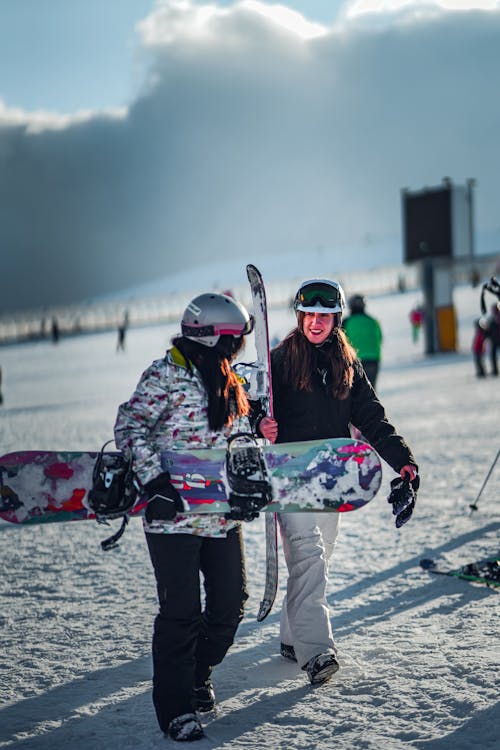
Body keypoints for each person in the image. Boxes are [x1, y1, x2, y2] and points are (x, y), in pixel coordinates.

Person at [257, 279, 418, 687]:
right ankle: (316, 651)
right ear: (299, 317)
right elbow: (249, 406)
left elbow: (373, 418)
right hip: (290, 477)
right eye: (308, 315)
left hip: (333, 480)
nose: (315, 322)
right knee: (308, 556)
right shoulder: (279, 360)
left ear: (335, 318)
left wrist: (404, 463)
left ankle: (293, 638)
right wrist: (261, 423)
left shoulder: (348, 363)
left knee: (315, 560)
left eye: (324, 316)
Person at [114, 292, 259, 742]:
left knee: (230, 604)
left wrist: (247, 482)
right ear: (214, 337)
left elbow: (239, 438)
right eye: (234, 339)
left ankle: (198, 674)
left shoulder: (230, 379)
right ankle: (176, 707)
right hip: (171, 515)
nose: (238, 348)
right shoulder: (164, 376)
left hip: (219, 515)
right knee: (181, 613)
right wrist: (153, 480)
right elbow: (129, 426)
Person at [343, 293, 383, 388]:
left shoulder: (347, 321)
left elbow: (341, 341)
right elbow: (380, 338)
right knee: (371, 390)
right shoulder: (373, 321)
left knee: (354, 391)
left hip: (354, 360)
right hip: (373, 358)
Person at [485, 302, 500, 376]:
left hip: (495, 340)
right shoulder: (492, 319)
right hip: (494, 340)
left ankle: (495, 371)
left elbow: (488, 331)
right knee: (493, 356)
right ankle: (495, 370)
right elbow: (488, 331)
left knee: (493, 356)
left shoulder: (492, 319)